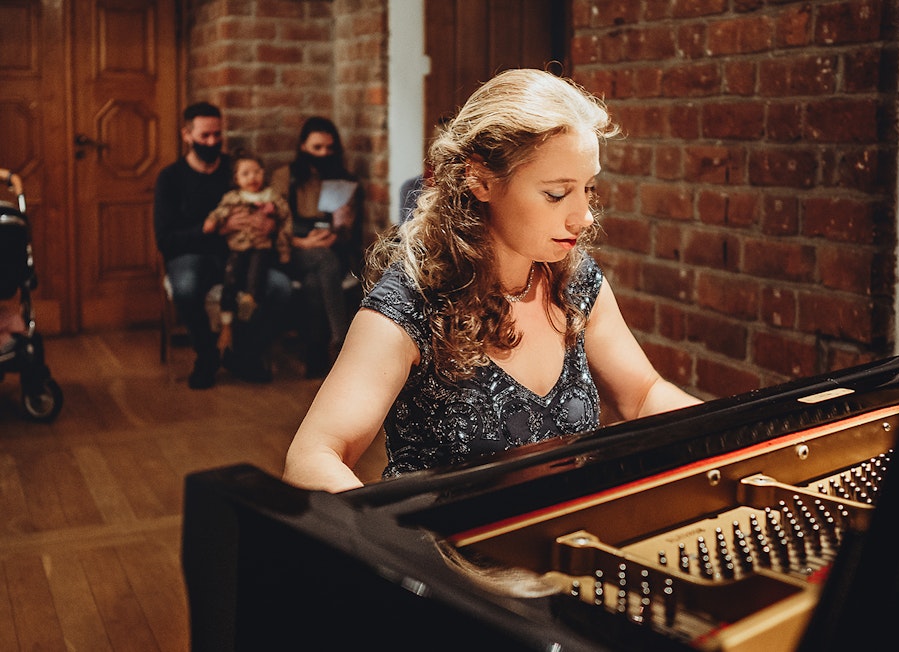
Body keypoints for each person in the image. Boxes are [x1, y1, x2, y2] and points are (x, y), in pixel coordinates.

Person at [283, 69, 702, 493]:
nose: (584, 216)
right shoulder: (411, 305)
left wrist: (744, 433)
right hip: (448, 551)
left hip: (565, 540)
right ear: (480, 179)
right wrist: (396, 549)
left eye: (588, 189)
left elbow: (643, 395)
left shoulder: (575, 280)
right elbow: (311, 458)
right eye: (557, 193)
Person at [154, 101, 293, 388]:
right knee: (186, 287)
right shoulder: (170, 178)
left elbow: (266, 205)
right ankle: (207, 354)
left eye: (217, 134)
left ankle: (243, 352)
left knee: (281, 288)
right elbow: (165, 239)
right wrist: (221, 229)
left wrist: (270, 223)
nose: (213, 141)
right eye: (205, 136)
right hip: (191, 254)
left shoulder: (235, 171)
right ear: (186, 135)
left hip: (241, 253)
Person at [271, 116, 363, 377]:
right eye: (317, 148)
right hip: (292, 250)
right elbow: (273, 223)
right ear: (303, 147)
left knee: (316, 277)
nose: (324, 154)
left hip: (329, 250)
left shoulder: (343, 179)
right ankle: (341, 339)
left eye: (329, 148)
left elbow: (349, 232)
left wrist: (338, 232)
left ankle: (316, 355)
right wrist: (300, 241)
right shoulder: (284, 177)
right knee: (325, 261)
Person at [203, 152, 293, 354]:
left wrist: (282, 242)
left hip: (261, 249)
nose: (252, 178)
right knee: (230, 278)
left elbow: (285, 219)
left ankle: (246, 316)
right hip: (237, 248)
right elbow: (220, 213)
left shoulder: (271, 197)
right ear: (236, 179)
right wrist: (213, 222)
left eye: (256, 172)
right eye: (246, 174)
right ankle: (227, 324)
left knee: (256, 279)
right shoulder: (233, 198)